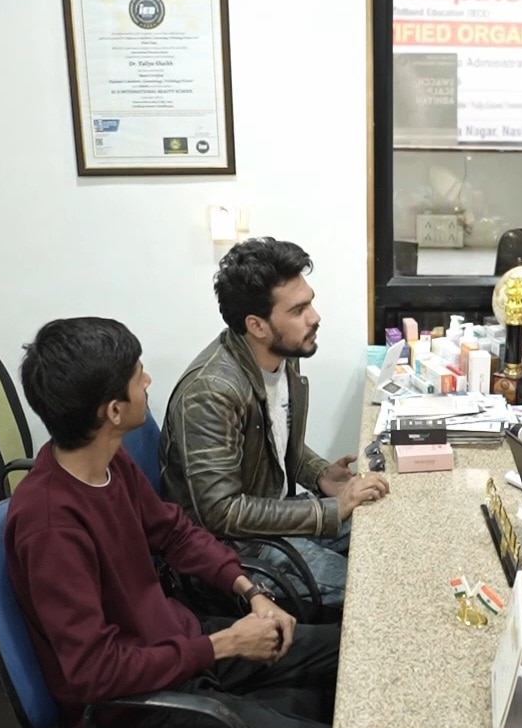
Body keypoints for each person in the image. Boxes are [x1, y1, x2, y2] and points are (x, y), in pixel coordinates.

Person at [6, 317, 341, 728]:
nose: (148, 381)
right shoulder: (51, 526)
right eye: (138, 376)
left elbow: (176, 533)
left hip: (183, 647)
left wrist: (251, 592)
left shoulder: (107, 464)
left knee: (350, 649)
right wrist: (223, 644)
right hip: (137, 712)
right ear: (114, 411)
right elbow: (94, 672)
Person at [161, 238, 388, 609]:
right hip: (239, 551)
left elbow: (274, 442)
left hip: (275, 519)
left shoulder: (283, 353)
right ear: (257, 326)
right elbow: (222, 512)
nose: (314, 317)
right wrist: (328, 510)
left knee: (387, 523)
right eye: (298, 310)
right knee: (378, 589)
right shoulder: (211, 392)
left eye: (310, 302)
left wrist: (319, 474)